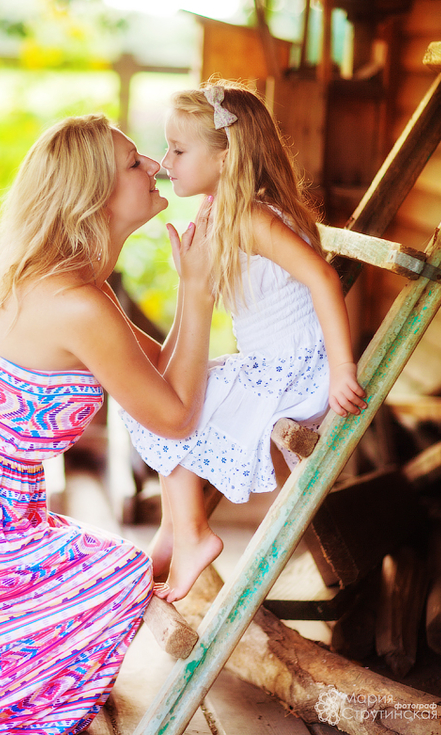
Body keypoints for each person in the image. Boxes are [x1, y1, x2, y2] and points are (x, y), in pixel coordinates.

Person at [0, 114, 214, 734]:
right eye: (134, 162)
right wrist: (196, 293)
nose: (155, 165)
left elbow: (161, 374)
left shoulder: (74, 283)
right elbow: (174, 414)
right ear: (94, 195)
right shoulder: (76, 303)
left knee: (117, 573)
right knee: (117, 577)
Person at [121, 79, 367, 604]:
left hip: (296, 374)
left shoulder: (253, 218)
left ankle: (189, 535)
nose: (165, 161)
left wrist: (343, 369)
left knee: (170, 405)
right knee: (160, 397)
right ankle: (176, 529)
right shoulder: (222, 213)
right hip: (267, 366)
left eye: (179, 150)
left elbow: (322, 278)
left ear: (226, 156)